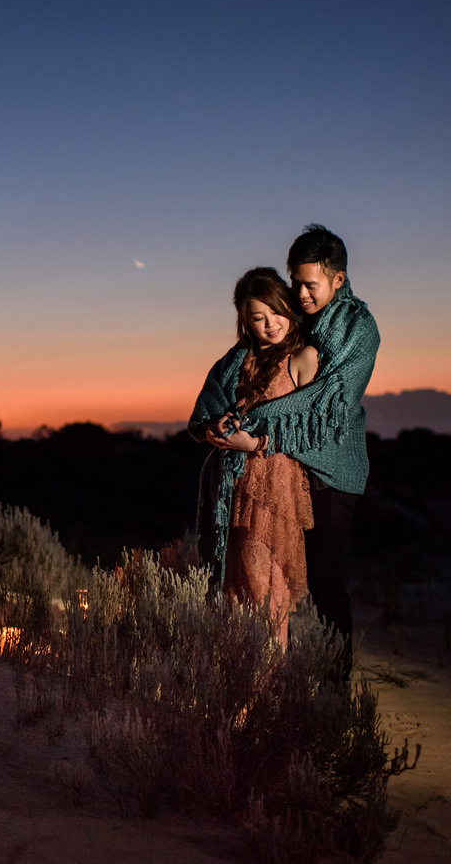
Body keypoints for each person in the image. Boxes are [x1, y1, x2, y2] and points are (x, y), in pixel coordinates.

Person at [191, 225, 379, 678]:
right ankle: (277, 679)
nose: (299, 294)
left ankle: (331, 691)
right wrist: (217, 426)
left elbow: (327, 401)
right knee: (265, 581)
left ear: (338, 278)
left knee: (325, 581)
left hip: (331, 470)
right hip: (281, 471)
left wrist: (253, 432)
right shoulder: (289, 318)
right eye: (294, 282)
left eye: (308, 284)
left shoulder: (357, 329)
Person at [195, 267, 319, 645]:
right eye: (258, 318)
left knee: (268, 592)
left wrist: (255, 444)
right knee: (235, 589)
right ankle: (240, 682)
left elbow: (309, 430)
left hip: (274, 486)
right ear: (245, 323)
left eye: (276, 312)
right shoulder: (234, 362)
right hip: (232, 484)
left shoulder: (303, 357)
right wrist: (213, 430)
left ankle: (270, 685)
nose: (270, 325)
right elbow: (205, 413)